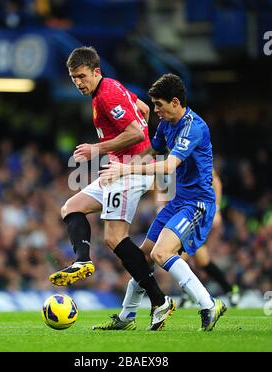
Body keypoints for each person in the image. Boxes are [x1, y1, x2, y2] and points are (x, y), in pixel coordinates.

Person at [49, 46, 174, 330]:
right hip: (119, 168)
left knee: (116, 238)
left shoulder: (107, 94)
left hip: (129, 169)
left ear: (96, 71)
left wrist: (98, 148)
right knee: (71, 208)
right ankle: (82, 261)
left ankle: (159, 301)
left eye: (82, 76)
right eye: (73, 78)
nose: (78, 83)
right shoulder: (107, 90)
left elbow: (135, 131)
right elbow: (141, 110)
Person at [97, 73, 227, 331]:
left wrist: (125, 171)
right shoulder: (167, 124)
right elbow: (151, 151)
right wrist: (123, 162)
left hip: (198, 204)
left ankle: (209, 304)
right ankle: (127, 317)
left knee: (161, 253)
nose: (155, 110)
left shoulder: (194, 127)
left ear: (175, 102)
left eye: (159, 105)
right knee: (144, 256)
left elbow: (168, 166)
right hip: (179, 201)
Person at [178, 170, 241, 308]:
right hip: (182, 212)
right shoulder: (165, 159)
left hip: (197, 213)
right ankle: (229, 289)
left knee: (178, 257)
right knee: (203, 260)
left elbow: (216, 181)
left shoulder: (190, 152)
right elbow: (163, 187)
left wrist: (217, 210)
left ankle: (189, 293)